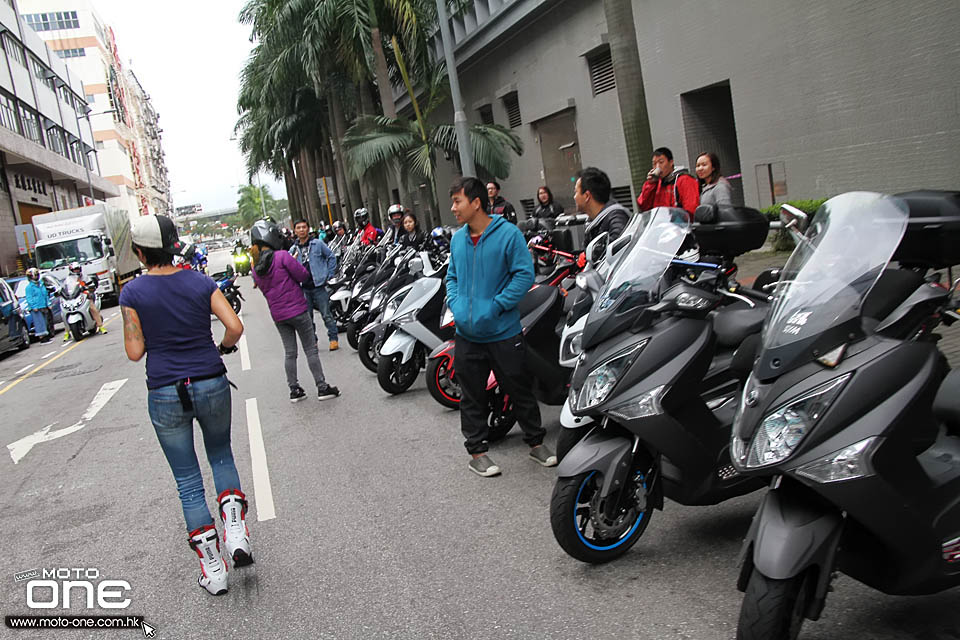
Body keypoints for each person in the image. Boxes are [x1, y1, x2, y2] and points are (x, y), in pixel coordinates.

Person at [119, 214, 249, 596]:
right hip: (210, 380)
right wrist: (221, 348)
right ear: (174, 244)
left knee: (188, 481)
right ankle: (236, 531)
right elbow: (235, 327)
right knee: (222, 456)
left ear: (140, 252)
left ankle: (214, 569)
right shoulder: (200, 280)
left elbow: (134, 351)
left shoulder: (132, 293)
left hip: (163, 391)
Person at [446, 176, 557, 477]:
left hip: (503, 331)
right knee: (472, 394)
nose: (453, 207)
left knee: (518, 387)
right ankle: (478, 452)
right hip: (467, 335)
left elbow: (523, 276)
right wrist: (455, 305)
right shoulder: (457, 239)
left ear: (476, 202)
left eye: (457, 201)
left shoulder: (508, 234)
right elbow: (452, 277)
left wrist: (495, 306)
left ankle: (536, 444)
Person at [249, 219, 341, 402]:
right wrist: (294, 262)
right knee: (310, 350)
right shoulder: (282, 256)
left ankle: (294, 389)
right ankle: (322, 387)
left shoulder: (255, 267)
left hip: (278, 315)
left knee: (290, 353)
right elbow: (303, 275)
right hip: (298, 310)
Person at [289, 218, 340, 351]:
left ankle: (333, 338)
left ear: (308, 229)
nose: (301, 230)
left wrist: (329, 275)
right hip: (303, 289)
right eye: (298, 228)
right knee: (308, 318)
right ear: (295, 231)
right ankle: (313, 341)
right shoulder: (293, 249)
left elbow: (331, 257)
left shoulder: (318, 244)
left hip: (319, 286)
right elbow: (288, 267)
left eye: (304, 227)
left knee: (326, 314)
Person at [575, 167, 631, 245]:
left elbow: (619, 247)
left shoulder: (617, 217)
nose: (574, 197)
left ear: (587, 196)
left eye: (576, 192)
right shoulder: (592, 222)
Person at [637, 146, 700, 217]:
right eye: (654, 164)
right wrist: (650, 184)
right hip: (660, 225)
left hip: (678, 226)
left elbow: (691, 209)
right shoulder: (657, 183)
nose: (657, 167)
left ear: (671, 162)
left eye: (661, 162)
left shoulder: (685, 180)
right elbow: (643, 206)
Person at [63, 262, 106, 342]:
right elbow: (65, 288)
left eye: (78, 269)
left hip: (86, 295)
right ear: (71, 270)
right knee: (65, 312)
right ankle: (67, 332)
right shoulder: (68, 279)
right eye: (75, 270)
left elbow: (91, 285)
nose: (77, 271)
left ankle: (101, 327)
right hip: (75, 297)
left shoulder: (84, 277)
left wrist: (89, 288)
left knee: (92, 307)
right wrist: (61, 292)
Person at [24, 268, 52, 343]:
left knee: (45, 321)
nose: (35, 277)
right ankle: (42, 338)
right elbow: (29, 298)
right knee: (39, 322)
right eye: (34, 275)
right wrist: (33, 307)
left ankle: (46, 335)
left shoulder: (41, 284)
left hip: (43, 305)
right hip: (36, 308)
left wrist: (48, 304)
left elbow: (45, 294)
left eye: (36, 275)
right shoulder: (29, 287)